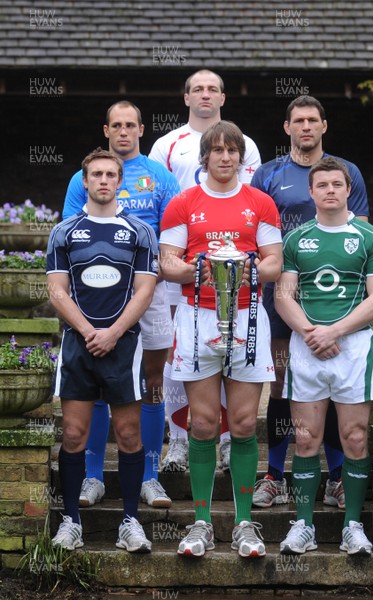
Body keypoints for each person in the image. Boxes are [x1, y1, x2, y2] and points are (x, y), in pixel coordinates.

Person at [159, 121, 282, 558]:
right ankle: (202, 523)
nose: (225, 157)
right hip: (197, 319)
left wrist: (247, 268)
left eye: (233, 150)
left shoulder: (260, 202)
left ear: (242, 157)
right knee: (205, 424)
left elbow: (274, 263)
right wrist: (199, 268)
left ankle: (246, 522)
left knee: (246, 423)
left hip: (247, 316)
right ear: (205, 156)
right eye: (218, 150)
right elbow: (167, 263)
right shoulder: (182, 203)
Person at [250, 95, 369, 510]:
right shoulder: (268, 174)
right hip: (282, 296)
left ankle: (336, 477)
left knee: (336, 384)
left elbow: (361, 238)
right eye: (297, 120)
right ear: (287, 128)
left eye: (312, 120)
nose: (305, 126)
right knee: (282, 383)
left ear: (323, 126)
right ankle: (275, 475)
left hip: (335, 298)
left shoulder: (344, 172)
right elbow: (255, 234)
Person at [63, 101, 180, 509]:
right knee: (96, 385)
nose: (124, 131)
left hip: (150, 291)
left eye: (131, 125)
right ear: (106, 129)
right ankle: (92, 477)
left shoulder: (160, 175)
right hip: (97, 298)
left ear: (142, 129)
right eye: (117, 125)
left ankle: (150, 476)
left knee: (151, 385)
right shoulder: (86, 176)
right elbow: (70, 240)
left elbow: (174, 233)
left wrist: (149, 275)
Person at [275, 156, 373, 555]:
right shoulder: (295, 239)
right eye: (321, 185)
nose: (329, 190)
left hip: (352, 348)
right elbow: (283, 295)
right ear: (311, 192)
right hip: (307, 348)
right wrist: (311, 333)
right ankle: (303, 525)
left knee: (354, 438)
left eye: (336, 184)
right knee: (305, 440)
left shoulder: (371, 237)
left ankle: (353, 527)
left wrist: (336, 331)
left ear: (347, 189)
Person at [150, 69, 262, 473]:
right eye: (197, 88)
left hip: (234, 273)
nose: (205, 94)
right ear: (186, 98)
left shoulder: (244, 144)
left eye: (212, 88)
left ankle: (231, 440)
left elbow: (247, 196)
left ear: (223, 97)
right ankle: (179, 441)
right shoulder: (166, 143)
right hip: (182, 266)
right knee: (179, 357)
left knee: (232, 350)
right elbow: (157, 196)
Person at [49, 148, 158, 552]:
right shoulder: (63, 231)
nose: (104, 181)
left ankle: (130, 522)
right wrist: (89, 330)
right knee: (74, 434)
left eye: (111, 174)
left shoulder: (140, 232)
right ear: (86, 180)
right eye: (96, 174)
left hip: (124, 346)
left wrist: (112, 332)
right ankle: (71, 522)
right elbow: (57, 291)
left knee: (129, 434)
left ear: (119, 181)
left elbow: (145, 290)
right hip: (78, 347)